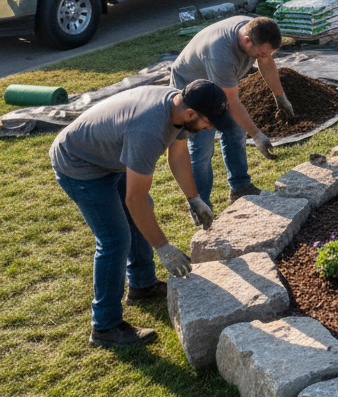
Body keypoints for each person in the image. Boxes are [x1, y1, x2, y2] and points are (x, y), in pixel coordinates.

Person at [50, 80, 230, 348]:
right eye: (210, 123)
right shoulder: (149, 130)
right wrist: (164, 248)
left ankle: (142, 286)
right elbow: (134, 200)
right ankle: (105, 327)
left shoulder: (178, 107)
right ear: (192, 114)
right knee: (114, 239)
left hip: (107, 155)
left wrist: (194, 197)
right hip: (78, 163)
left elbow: (178, 155)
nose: (210, 128)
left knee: (140, 216)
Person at [170, 15, 290, 210]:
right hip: (190, 91)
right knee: (203, 148)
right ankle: (200, 205)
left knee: (235, 130)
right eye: (260, 53)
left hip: (215, 88)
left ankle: (240, 187)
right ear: (246, 41)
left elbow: (266, 61)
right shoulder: (221, 53)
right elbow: (232, 102)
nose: (263, 56)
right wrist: (257, 135)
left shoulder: (254, 29)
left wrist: (280, 97)